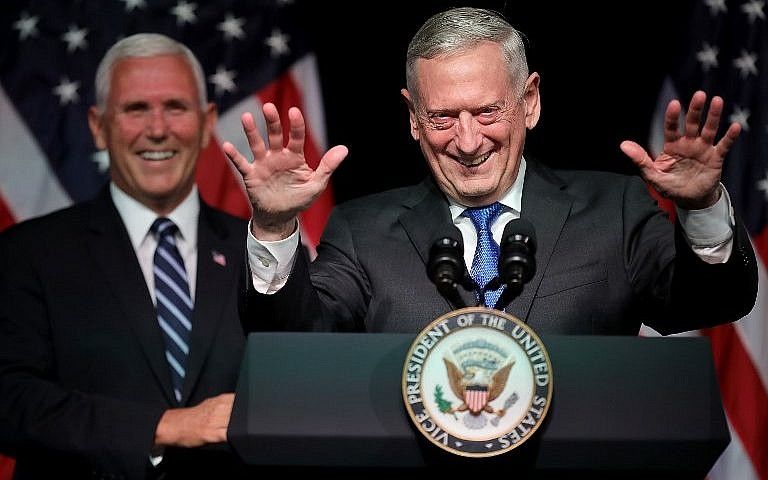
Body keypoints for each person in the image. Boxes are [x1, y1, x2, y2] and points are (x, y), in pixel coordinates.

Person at [224, 7, 756, 335]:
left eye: (487, 111)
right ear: (412, 118)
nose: (470, 141)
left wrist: (701, 208)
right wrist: (272, 227)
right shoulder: (361, 232)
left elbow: (713, 301)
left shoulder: (613, 212)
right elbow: (293, 338)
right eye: (442, 118)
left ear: (530, 102)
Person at [0, 34, 249, 479]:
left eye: (175, 107)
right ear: (98, 126)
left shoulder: (260, 253)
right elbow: (10, 398)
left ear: (208, 121)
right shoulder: (27, 254)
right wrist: (164, 426)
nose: (157, 129)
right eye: (135, 109)